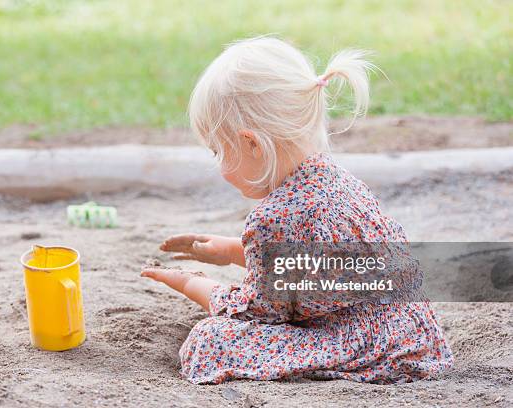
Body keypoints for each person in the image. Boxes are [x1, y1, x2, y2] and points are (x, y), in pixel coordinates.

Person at [141, 36, 453, 384]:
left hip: (369, 347)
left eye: (218, 152)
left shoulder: (273, 217)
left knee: (211, 340)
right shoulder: (338, 179)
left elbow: (258, 313)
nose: (218, 166)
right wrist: (230, 251)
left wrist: (192, 284)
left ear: (251, 144)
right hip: (414, 335)